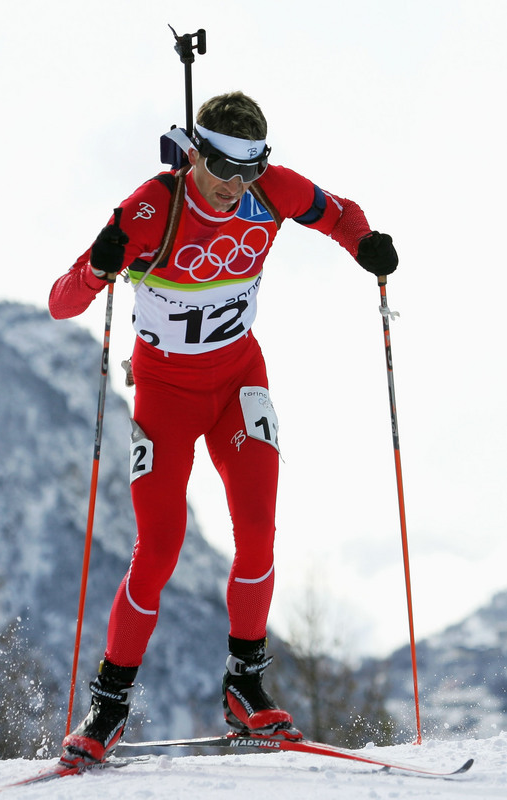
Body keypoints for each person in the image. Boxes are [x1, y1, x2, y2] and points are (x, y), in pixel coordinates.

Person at [48, 91, 398, 765]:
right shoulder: (152, 208)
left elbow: (340, 213)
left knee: (259, 533)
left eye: (250, 169)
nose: (235, 185)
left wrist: (364, 244)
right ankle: (108, 705)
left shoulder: (271, 190)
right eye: (222, 169)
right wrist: (99, 263)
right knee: (157, 550)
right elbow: (63, 303)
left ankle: (244, 687)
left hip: (239, 382)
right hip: (165, 394)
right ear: (194, 153)